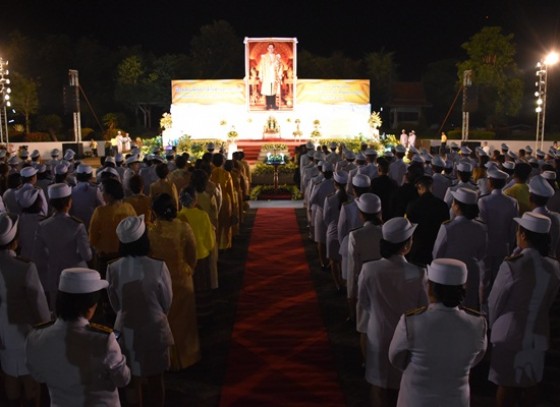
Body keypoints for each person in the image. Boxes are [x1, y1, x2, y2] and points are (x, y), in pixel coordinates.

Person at [389, 258, 487, 407]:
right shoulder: (477, 323)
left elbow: (395, 358)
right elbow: (476, 357)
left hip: (416, 400)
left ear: (430, 288)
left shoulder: (412, 321)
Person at [26, 267, 131, 405]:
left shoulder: (35, 337)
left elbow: (38, 375)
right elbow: (122, 379)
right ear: (90, 308)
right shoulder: (104, 339)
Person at [488, 212, 560, 407]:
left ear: (524, 235)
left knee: (506, 385)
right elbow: (549, 301)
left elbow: (495, 302)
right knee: (531, 383)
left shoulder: (513, 265)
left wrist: (492, 326)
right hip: (538, 331)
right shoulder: (554, 267)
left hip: (509, 334)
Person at [358, 217, 428, 407]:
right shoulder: (419, 272)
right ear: (406, 245)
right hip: (408, 337)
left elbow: (363, 303)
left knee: (378, 385)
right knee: (404, 388)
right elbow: (424, 308)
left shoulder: (369, 269)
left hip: (378, 334)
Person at [107, 215, 174, 406]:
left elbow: (115, 303)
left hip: (126, 327)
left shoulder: (113, 268)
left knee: (132, 380)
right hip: (154, 326)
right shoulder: (158, 266)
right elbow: (166, 301)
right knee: (155, 379)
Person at [0, 213, 50, 407]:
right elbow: (40, 307)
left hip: (3, 337)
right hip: (25, 335)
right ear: (14, 241)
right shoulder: (24, 268)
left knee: (10, 378)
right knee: (31, 386)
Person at [148, 193, 200, 370]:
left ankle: (166, 359)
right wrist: (188, 270)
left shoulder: (150, 232)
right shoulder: (184, 228)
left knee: (164, 321)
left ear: (154, 212)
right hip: (181, 279)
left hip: (158, 282)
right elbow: (193, 254)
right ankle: (187, 356)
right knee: (184, 322)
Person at [34, 183, 92, 309]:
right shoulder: (77, 225)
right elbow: (87, 256)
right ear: (69, 203)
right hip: (76, 273)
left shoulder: (43, 225)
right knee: (78, 310)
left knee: (58, 309)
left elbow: (39, 254)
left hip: (54, 273)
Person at [432, 188, 488, 309]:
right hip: (471, 271)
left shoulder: (447, 227)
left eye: (453, 203)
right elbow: (481, 253)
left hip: (449, 272)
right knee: (469, 306)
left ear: (457, 206)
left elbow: (437, 254)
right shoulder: (481, 228)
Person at [258, 43, 283, 110]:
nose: (271, 49)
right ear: (267, 49)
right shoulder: (264, 57)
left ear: (274, 49)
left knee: (273, 90)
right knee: (267, 90)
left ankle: (274, 104)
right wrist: (261, 76)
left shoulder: (277, 57)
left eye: (272, 48)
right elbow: (261, 67)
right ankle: (268, 105)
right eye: (269, 48)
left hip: (274, 76)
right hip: (267, 75)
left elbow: (280, 66)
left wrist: (280, 74)